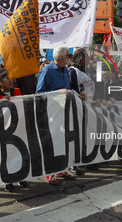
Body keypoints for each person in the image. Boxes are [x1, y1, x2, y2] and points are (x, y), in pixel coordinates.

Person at [35, 45, 75, 185]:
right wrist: (58, 92)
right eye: (69, 55)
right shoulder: (47, 70)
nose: (71, 58)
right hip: (52, 112)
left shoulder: (65, 69)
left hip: (64, 111)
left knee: (62, 141)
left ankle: (60, 169)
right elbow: (39, 94)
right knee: (51, 143)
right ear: (62, 57)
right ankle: (49, 173)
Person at [0, 68, 28, 192]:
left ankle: (21, 177)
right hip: (3, 130)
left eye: (11, 78)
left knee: (20, 153)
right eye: (7, 78)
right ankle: (8, 180)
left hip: (18, 128)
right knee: (6, 155)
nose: (11, 81)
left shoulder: (17, 91)